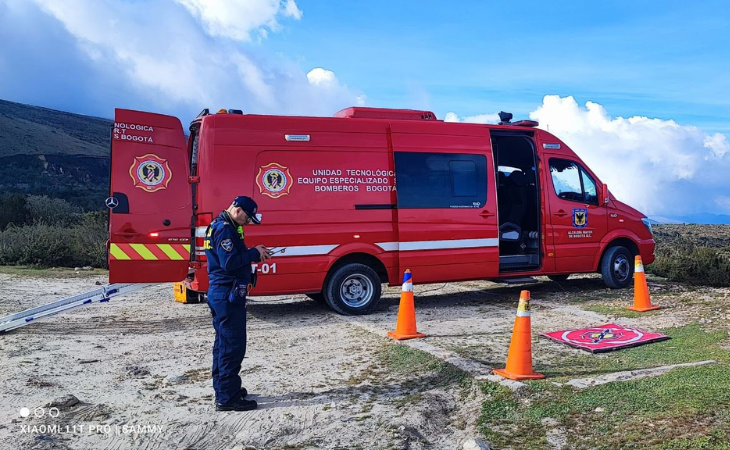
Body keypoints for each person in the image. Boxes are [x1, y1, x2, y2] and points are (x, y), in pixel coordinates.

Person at [204, 195, 271, 411]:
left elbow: (233, 255)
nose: (248, 222)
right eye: (248, 218)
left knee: (224, 345)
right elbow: (229, 262)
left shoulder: (225, 224)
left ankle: (227, 389)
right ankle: (227, 398)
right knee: (231, 346)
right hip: (226, 295)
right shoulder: (224, 228)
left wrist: (253, 251)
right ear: (238, 210)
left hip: (224, 294)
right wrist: (253, 253)